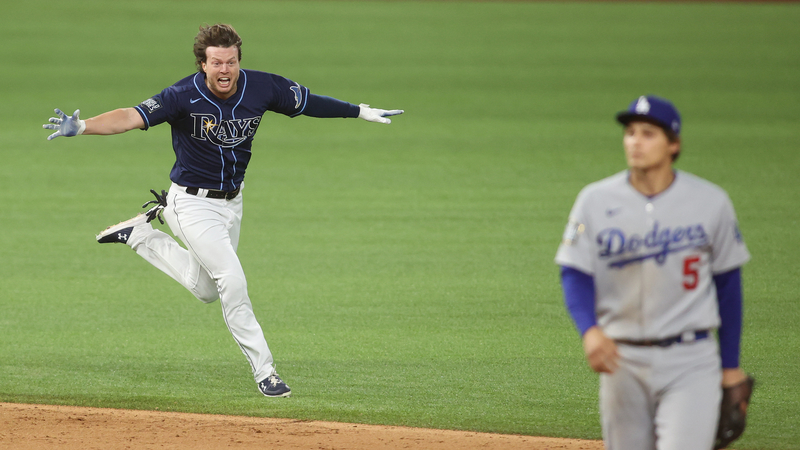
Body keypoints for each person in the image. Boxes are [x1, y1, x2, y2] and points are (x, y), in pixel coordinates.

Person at [43, 23, 403, 398]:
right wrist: (82, 126)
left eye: (231, 61)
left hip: (232, 202)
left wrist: (358, 111)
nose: (225, 70)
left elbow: (308, 102)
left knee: (206, 290)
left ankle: (140, 236)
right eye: (216, 63)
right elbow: (129, 116)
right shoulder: (181, 95)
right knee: (232, 280)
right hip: (191, 203)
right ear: (203, 64)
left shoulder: (263, 87)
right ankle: (266, 372)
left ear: (238, 60)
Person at [554, 95, 750, 449]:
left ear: (673, 144)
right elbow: (574, 271)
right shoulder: (595, 200)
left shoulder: (710, 202)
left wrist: (730, 365)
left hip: (691, 360)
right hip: (622, 361)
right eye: (630, 133)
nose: (635, 142)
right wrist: (590, 331)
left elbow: (728, 285)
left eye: (648, 133)